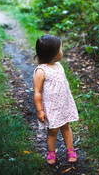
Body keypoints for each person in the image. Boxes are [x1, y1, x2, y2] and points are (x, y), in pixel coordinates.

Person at [33, 35, 79, 165]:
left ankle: (70, 150)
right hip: (51, 106)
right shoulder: (41, 71)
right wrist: (40, 110)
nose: (62, 52)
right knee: (53, 130)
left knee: (66, 126)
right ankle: (51, 152)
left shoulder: (58, 66)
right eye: (60, 49)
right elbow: (37, 92)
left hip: (63, 104)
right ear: (53, 55)